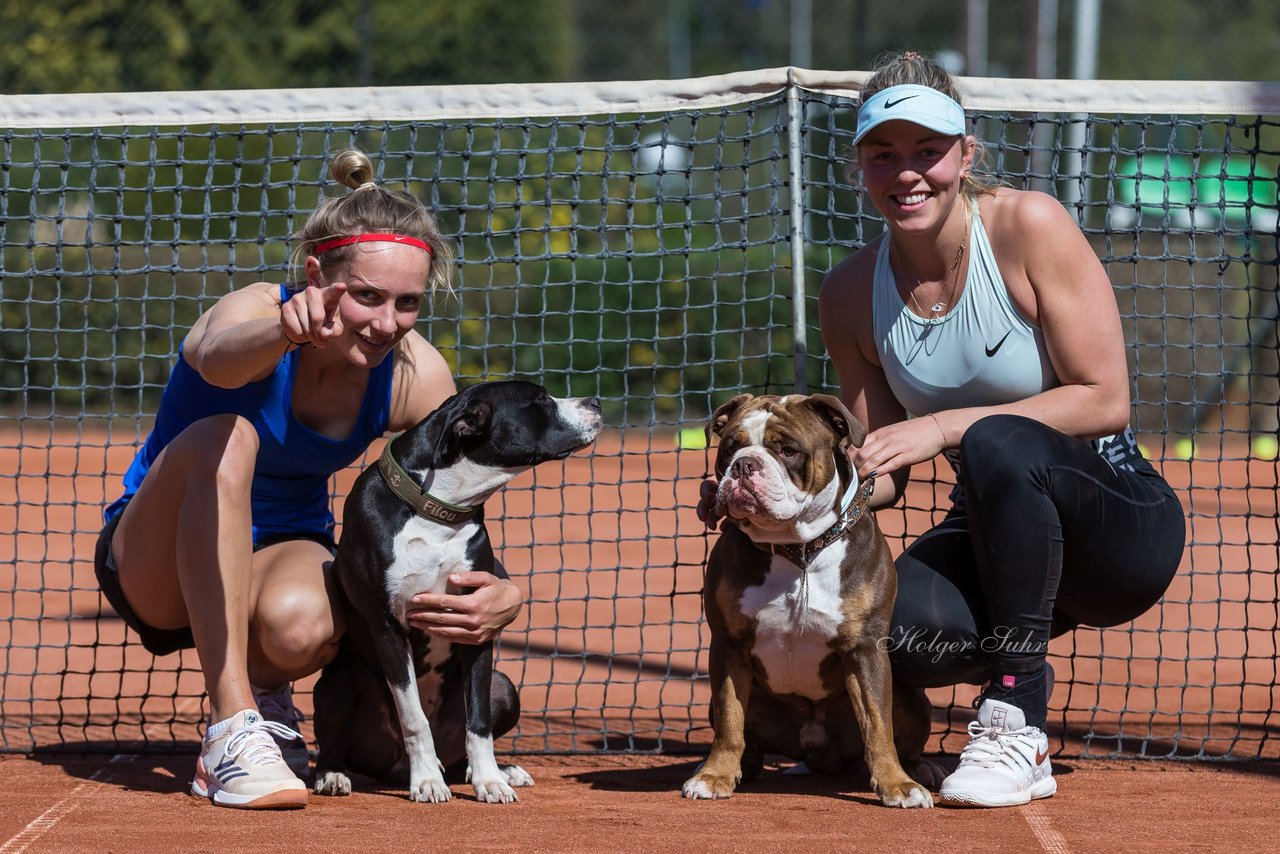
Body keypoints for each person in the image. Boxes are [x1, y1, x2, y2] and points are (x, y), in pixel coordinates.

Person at [700, 51, 1185, 808]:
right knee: (886, 629)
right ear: (859, 164)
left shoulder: (1029, 224)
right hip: (1001, 538)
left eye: (928, 151)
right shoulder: (850, 291)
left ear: (966, 152)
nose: (907, 174)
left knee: (995, 439)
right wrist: (769, 502)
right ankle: (991, 677)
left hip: (1117, 528)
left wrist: (944, 427)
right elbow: (877, 472)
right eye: (883, 155)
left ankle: (1015, 719)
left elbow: (1105, 398)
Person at [93, 149, 524, 809]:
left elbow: (448, 502)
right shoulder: (253, 310)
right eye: (367, 297)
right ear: (318, 274)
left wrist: (499, 591)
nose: (387, 324)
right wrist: (282, 333)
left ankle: (267, 695)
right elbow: (213, 359)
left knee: (310, 624)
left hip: (280, 551)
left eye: (407, 303)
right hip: (156, 559)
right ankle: (232, 730)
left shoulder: (415, 373)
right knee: (228, 433)